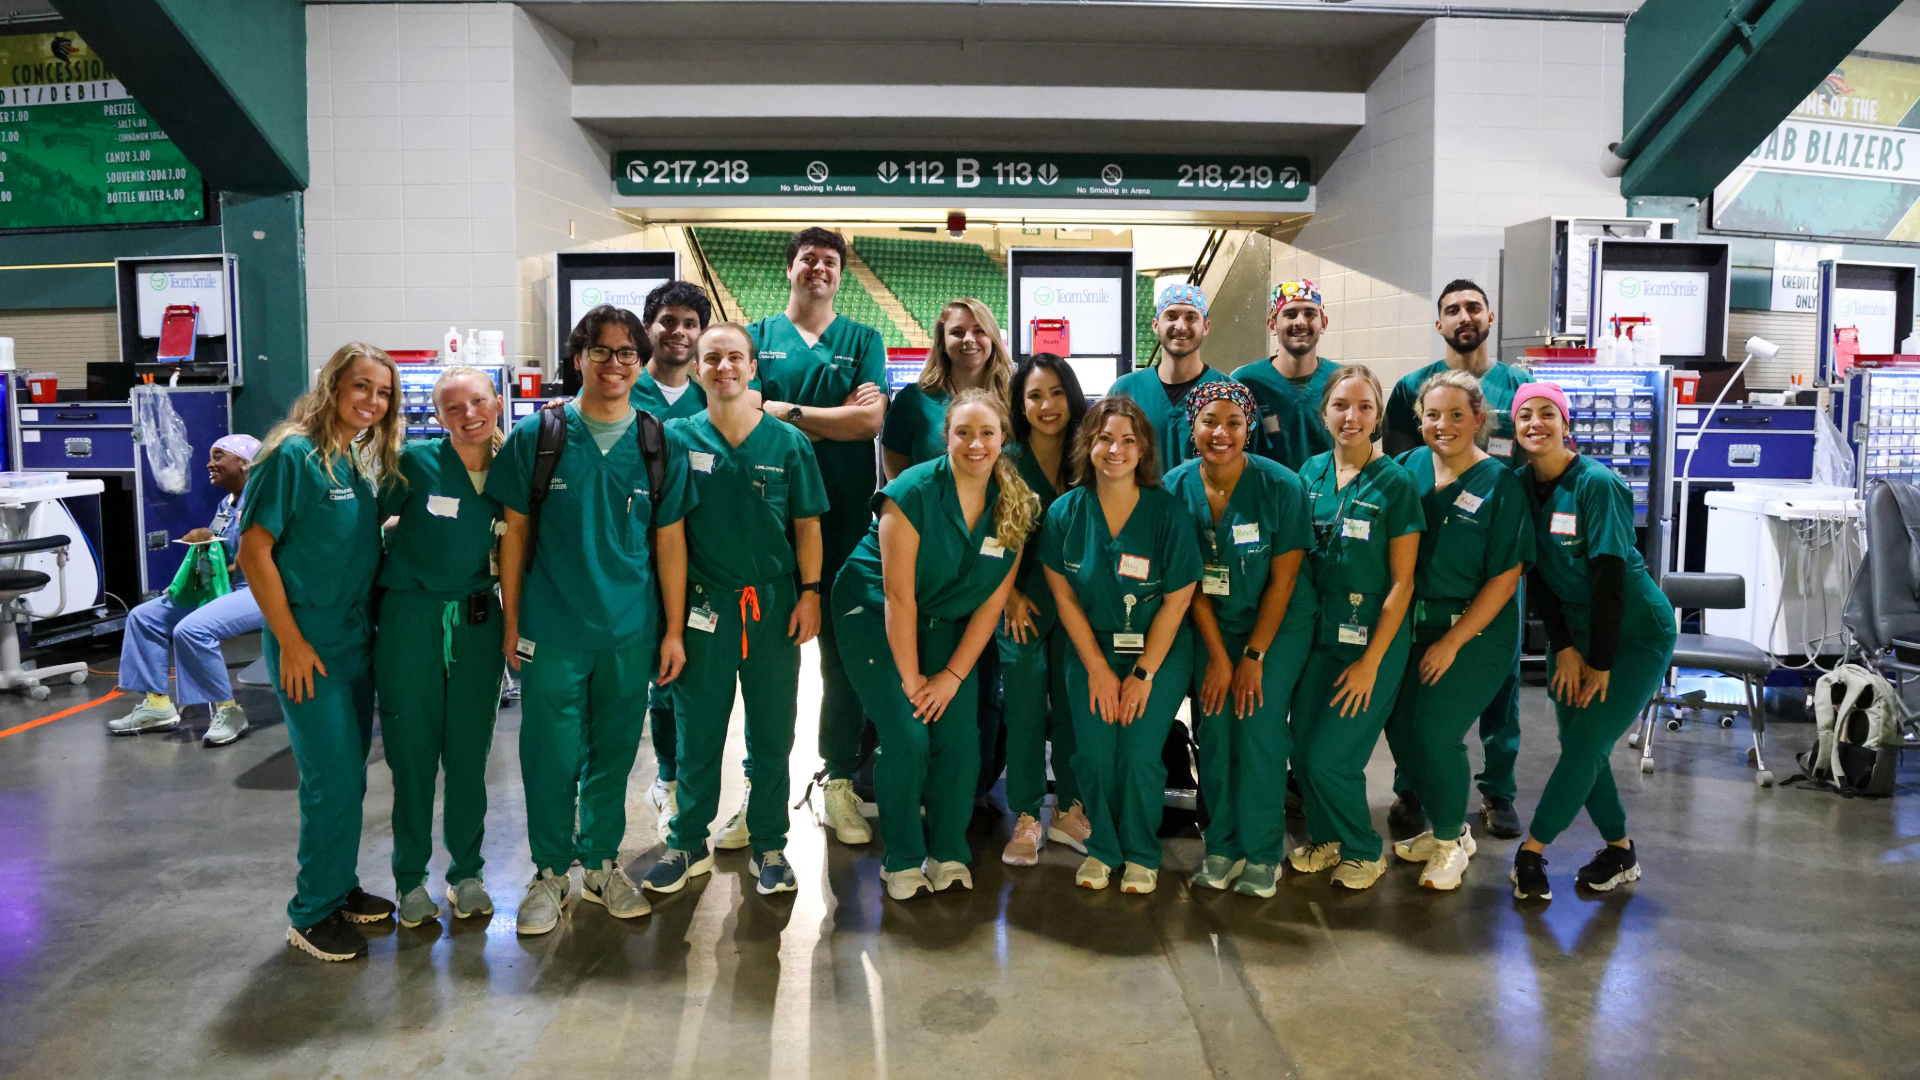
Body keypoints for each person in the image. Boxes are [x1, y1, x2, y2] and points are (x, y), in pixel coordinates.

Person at [488, 304, 696, 935]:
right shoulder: (538, 436)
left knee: (614, 753)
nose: (614, 364)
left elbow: (670, 541)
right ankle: (552, 871)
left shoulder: (660, 442)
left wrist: (674, 630)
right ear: (578, 358)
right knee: (549, 755)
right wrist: (512, 622)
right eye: (600, 351)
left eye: (627, 353)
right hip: (552, 629)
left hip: (628, 631)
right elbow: (514, 536)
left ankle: (601, 865)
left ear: (641, 362)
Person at [832, 389, 1035, 900]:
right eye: (963, 432)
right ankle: (901, 859)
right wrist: (913, 680)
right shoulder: (911, 491)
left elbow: (992, 602)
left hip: (949, 616)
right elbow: (898, 598)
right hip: (873, 610)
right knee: (908, 734)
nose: (975, 444)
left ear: (1003, 440)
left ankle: (948, 851)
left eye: (987, 433)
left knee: (960, 739)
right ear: (946, 438)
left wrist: (950, 678)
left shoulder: (1014, 505)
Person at [648, 323, 828, 898]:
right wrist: (673, 625)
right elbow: (669, 535)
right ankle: (686, 842)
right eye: (711, 359)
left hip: (773, 605)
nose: (723, 367)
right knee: (698, 729)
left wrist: (810, 593)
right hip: (705, 606)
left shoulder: (788, 443)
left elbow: (807, 525)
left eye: (734, 358)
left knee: (773, 732)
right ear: (696, 370)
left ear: (753, 368)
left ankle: (770, 843)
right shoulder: (676, 439)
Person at [238, 343, 403, 962]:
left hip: (353, 636)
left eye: (383, 393)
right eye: (362, 386)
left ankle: (338, 885)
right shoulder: (291, 455)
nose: (372, 401)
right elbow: (254, 553)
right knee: (329, 777)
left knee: (349, 775)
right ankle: (311, 912)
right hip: (307, 639)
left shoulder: (355, 458)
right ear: (333, 385)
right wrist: (291, 643)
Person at [748, 227, 888, 847]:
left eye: (830, 261)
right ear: (790, 268)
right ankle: (758, 790)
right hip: (769, 524)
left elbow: (869, 423)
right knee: (763, 665)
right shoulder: (757, 337)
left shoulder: (863, 339)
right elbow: (746, 414)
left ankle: (839, 781)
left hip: (843, 521)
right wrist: (837, 417)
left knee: (843, 659)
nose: (819, 269)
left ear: (841, 274)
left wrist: (789, 412)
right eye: (809, 259)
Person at [1508, 383, 1674, 902]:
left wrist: (1599, 661)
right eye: (1525, 416)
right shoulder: (1521, 485)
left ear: (1566, 424)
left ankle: (1531, 851)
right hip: (1574, 636)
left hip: (1634, 633)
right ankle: (1620, 851)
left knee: (1586, 745)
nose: (1536, 423)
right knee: (1583, 747)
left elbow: (1609, 582)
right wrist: (1564, 647)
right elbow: (1538, 574)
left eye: (1547, 414)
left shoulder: (1597, 485)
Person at [1381, 279, 1533, 841]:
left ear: (1490, 317)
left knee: (1500, 687)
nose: (1463, 316)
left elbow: (1538, 455)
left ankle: (1498, 790)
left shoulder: (1518, 385)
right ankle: (1413, 788)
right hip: (1426, 572)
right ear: (1438, 322)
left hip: (1494, 555)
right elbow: (1403, 468)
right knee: (1414, 698)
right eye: (1452, 309)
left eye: (1473, 307)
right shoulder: (1411, 387)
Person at [1041, 396, 1202, 895]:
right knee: (1092, 755)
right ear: (1087, 445)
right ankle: (1104, 849)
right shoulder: (1066, 513)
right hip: (1092, 649)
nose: (1116, 449)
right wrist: (1096, 668)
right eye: (1105, 438)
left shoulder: (1166, 513)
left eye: (1128, 440)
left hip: (1158, 652)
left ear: (1144, 449)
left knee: (1135, 755)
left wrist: (1142, 674)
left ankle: (1140, 853)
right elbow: (1065, 599)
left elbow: (1177, 600)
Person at [1166, 381, 1314, 899]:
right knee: (1215, 731)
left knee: (1257, 730)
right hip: (1211, 622)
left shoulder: (1281, 486)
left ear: (1249, 426)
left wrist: (1252, 656)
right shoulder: (1175, 487)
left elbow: (1284, 581)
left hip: (1277, 625)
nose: (1221, 433)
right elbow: (1188, 580)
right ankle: (1222, 846)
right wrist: (1218, 656)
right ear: (1192, 427)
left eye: (1233, 422)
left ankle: (1263, 852)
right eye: (1209, 421)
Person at [373, 367, 509, 928]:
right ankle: (409, 879)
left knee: (469, 756)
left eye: (477, 401)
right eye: (453, 408)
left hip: (478, 623)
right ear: (438, 416)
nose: (468, 415)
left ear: (496, 402)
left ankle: (467, 873)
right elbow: (363, 523)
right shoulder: (414, 464)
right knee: (412, 756)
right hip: (412, 622)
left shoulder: (514, 466)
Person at [1288, 364, 1422, 892]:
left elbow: (1403, 583)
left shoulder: (1396, 483)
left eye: (1365, 407)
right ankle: (1327, 839)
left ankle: (1363, 849)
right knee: (1302, 752)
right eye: (1341, 405)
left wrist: (1371, 662)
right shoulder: (1309, 474)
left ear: (1378, 417)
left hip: (1373, 642)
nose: (1352, 416)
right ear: (1324, 413)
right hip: (1318, 638)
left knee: (1331, 758)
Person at [108, 434, 264, 747]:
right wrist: (194, 568)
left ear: (244, 463)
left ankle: (228, 710)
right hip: (226, 587)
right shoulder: (226, 504)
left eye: (218, 456)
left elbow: (257, 557)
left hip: (261, 590)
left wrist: (224, 564)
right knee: (144, 616)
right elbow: (218, 553)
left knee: (192, 629)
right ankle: (157, 705)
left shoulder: (263, 501)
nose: (209, 464)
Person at [997, 352, 1091, 865]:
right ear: (1020, 404)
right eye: (1035, 395)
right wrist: (1009, 595)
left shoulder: (1090, 453)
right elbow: (989, 534)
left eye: (1056, 392)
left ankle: (1072, 809)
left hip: (1078, 601)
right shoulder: (1005, 458)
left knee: (1075, 704)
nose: (1047, 405)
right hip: (1022, 602)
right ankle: (1028, 814)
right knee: (1026, 706)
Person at [630, 281, 714, 847]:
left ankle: (673, 780)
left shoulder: (713, 396)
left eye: (689, 323)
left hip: (697, 556)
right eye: (668, 321)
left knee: (679, 676)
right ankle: (659, 781)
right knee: (639, 680)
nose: (678, 332)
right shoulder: (622, 388)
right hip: (632, 555)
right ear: (649, 328)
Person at [1106, 283, 1232, 476]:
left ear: (1206, 326)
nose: (1181, 326)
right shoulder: (1125, 390)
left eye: (1191, 317)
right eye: (1171, 316)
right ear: (1156, 325)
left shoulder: (1230, 393)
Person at [882, 297, 1012, 478]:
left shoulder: (1015, 399)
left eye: (979, 331)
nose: (969, 339)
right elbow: (898, 480)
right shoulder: (913, 400)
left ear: (993, 338)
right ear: (942, 342)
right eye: (957, 332)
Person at [1234, 280, 1338, 472]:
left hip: (1329, 491)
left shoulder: (1341, 381)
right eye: (1290, 314)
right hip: (1264, 490)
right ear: (1272, 325)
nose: (1300, 322)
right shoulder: (1245, 382)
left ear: (1323, 323)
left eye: (1310, 313)